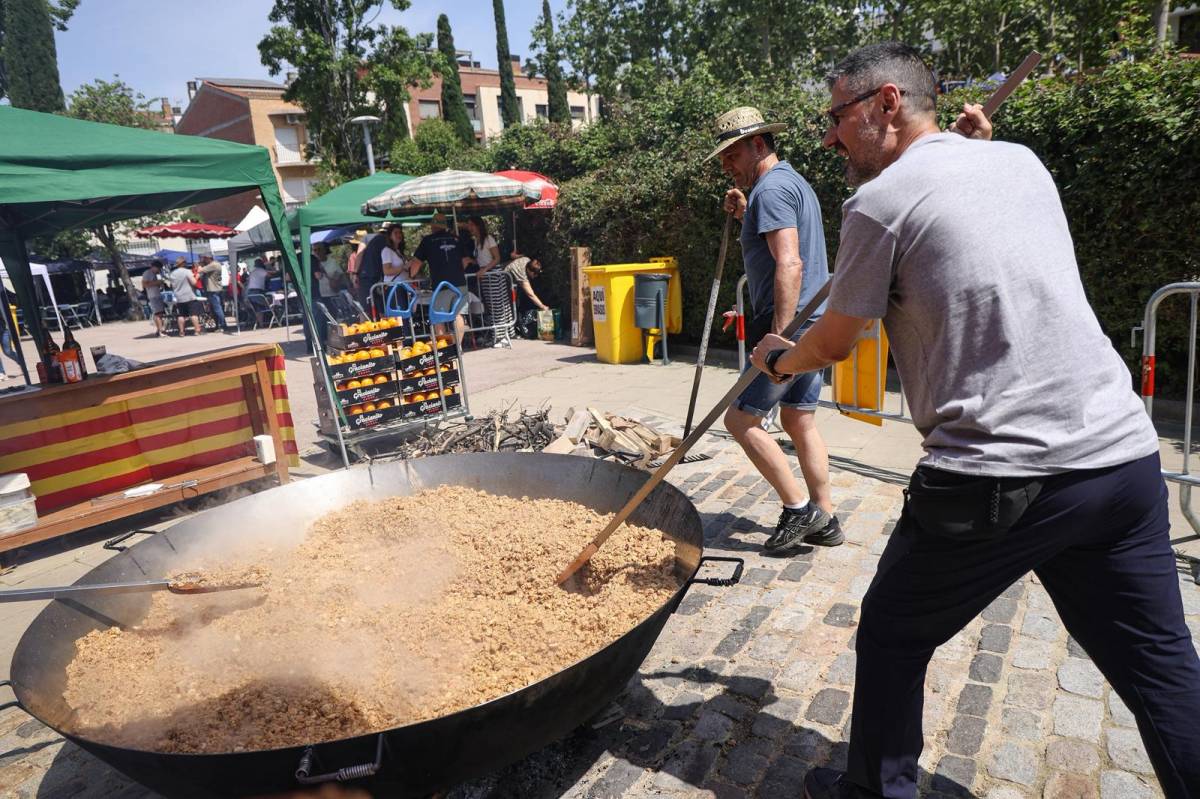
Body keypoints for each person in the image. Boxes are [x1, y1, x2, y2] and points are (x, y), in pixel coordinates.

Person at [747, 42, 1200, 799]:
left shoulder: (878, 205)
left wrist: (776, 360)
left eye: (838, 116)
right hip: (1121, 462)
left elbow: (836, 339)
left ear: (887, 104)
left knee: (893, 630)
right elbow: (974, 230)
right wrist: (966, 149)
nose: (830, 136)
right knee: (1161, 667)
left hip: (996, 478)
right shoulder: (1021, 162)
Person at [709, 105, 841, 553]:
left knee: (741, 419)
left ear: (759, 144)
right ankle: (825, 517)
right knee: (799, 418)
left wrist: (779, 342)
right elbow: (784, 245)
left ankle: (798, 509)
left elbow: (790, 261)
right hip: (814, 321)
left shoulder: (771, 192)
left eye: (732, 155)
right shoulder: (789, 184)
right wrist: (747, 211)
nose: (727, 164)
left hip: (793, 326)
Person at [408, 212, 468, 343]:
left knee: (438, 317)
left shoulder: (428, 241)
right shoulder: (456, 239)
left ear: (433, 226)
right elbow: (465, 261)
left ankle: (445, 348)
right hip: (460, 283)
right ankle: (458, 346)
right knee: (459, 316)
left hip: (442, 285)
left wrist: (411, 276)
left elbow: (416, 263)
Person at [355, 225, 392, 310]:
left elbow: (359, 254)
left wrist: (355, 273)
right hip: (384, 277)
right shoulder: (391, 239)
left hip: (367, 276)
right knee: (385, 307)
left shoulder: (367, 237)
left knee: (365, 308)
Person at [168, 256, 204, 336]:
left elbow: (172, 286)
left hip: (179, 297)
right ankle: (197, 330)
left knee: (181, 315)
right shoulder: (187, 271)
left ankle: (181, 331)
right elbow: (194, 282)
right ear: (183, 263)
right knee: (193, 314)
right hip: (189, 295)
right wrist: (197, 276)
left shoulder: (172, 274)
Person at [197, 254, 229, 332]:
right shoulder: (217, 264)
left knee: (217, 309)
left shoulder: (213, 265)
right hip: (217, 289)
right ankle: (219, 325)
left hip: (213, 290)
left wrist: (200, 264)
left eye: (205, 259)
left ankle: (222, 326)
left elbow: (199, 270)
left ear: (208, 259)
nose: (204, 260)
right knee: (216, 309)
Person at [142, 259, 167, 337]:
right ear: (154, 267)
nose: (159, 270)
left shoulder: (156, 274)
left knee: (161, 313)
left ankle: (158, 330)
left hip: (158, 295)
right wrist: (157, 282)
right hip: (153, 296)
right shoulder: (147, 273)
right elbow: (145, 284)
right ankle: (160, 332)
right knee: (158, 313)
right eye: (158, 268)